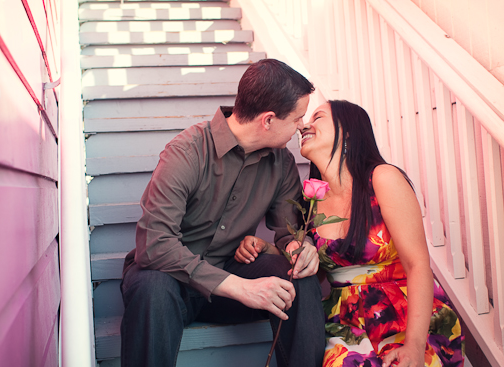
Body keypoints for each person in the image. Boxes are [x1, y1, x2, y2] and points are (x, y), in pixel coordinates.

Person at [120, 59, 326, 367]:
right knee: (151, 288)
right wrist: (241, 287)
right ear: (267, 120)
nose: (301, 126)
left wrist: (299, 248)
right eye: (297, 118)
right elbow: (154, 244)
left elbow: (287, 232)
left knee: (299, 278)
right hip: (170, 282)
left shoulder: (281, 163)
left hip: (230, 277)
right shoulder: (187, 151)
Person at [237, 100, 465, 366]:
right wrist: (268, 250)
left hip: (405, 313)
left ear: (347, 131)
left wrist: (414, 346)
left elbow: (418, 266)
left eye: (318, 117)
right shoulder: (312, 201)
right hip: (345, 321)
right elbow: (317, 269)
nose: (305, 125)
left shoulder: (382, 179)